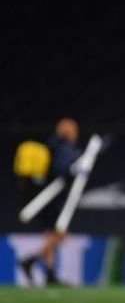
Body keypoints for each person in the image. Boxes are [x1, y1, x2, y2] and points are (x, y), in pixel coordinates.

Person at [16, 118, 82, 286]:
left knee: (50, 234)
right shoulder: (64, 148)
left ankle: (49, 273)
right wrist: (75, 171)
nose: (76, 134)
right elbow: (63, 171)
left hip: (40, 195)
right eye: (74, 131)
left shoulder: (51, 145)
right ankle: (30, 260)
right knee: (60, 233)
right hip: (51, 197)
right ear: (68, 132)